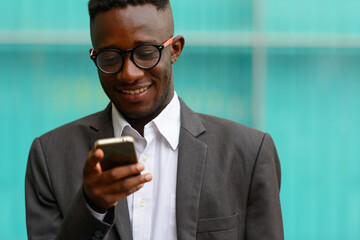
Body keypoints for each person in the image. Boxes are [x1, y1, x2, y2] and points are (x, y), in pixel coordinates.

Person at [25, 0, 284, 239]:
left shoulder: (249, 154)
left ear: (175, 49)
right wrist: (92, 207)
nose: (129, 73)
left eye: (146, 52)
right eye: (110, 57)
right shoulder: (50, 157)